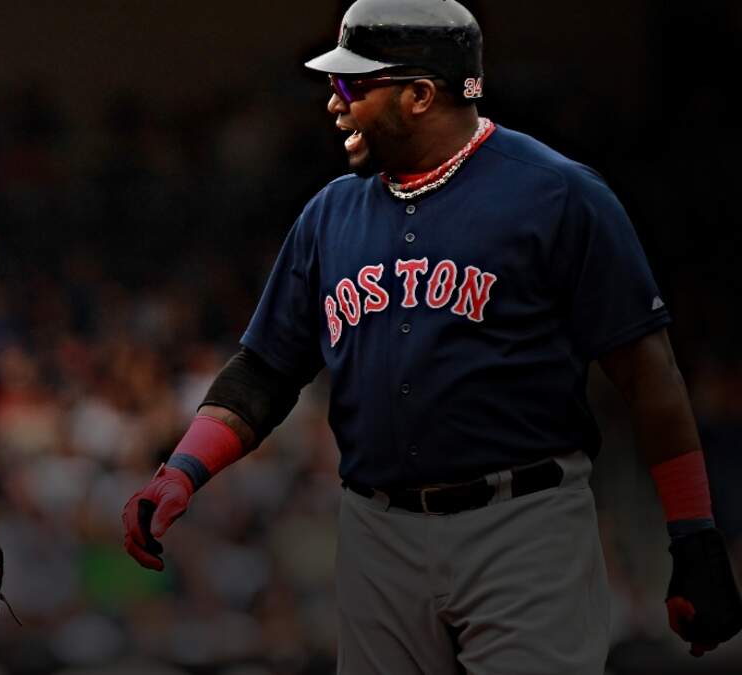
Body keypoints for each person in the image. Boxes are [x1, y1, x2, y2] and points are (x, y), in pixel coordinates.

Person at [122, 1, 742, 672]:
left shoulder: (559, 195)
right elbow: (265, 370)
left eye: (352, 85)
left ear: (419, 94)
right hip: (377, 532)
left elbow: (649, 374)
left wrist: (693, 533)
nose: (334, 104)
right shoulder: (330, 214)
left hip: (522, 524)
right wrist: (183, 470)